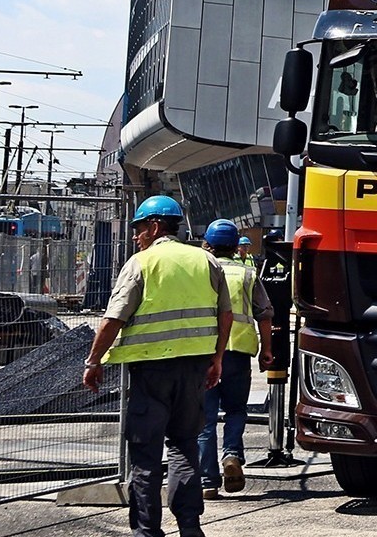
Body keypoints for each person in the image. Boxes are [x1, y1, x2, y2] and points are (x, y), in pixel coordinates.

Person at [83, 196, 233, 537]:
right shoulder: (206, 260)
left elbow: (113, 319)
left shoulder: (142, 263)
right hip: (194, 368)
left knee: (146, 454)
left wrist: (93, 362)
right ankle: (190, 527)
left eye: (139, 229)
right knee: (184, 447)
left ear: (154, 226)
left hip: (151, 372)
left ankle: (147, 532)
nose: (136, 236)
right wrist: (218, 357)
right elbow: (226, 314)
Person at [197, 221, 274, 499]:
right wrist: (267, 349)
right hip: (238, 352)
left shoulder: (199, 270)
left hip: (205, 351)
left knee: (204, 419)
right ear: (236, 246)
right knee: (236, 411)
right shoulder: (247, 273)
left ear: (207, 243)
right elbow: (264, 314)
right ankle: (232, 455)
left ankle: (207, 482)